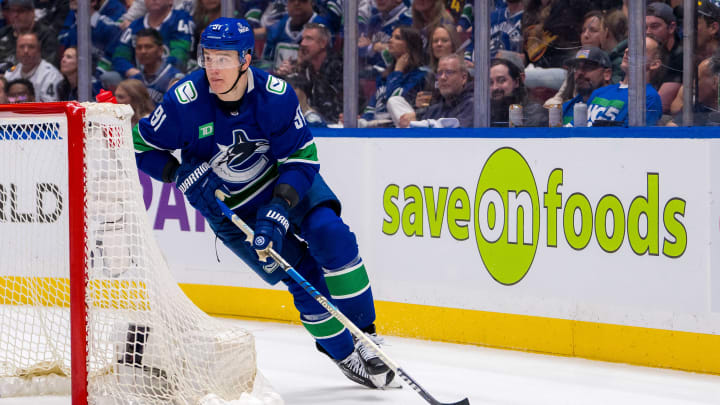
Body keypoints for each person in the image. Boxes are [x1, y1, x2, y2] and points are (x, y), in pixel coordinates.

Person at [133, 17, 398, 390]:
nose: (213, 68)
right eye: (208, 57)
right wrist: (176, 173)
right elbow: (141, 147)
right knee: (302, 278)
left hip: (286, 185)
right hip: (231, 211)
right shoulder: (184, 102)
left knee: (330, 235)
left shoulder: (275, 95)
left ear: (245, 59)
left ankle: (367, 337)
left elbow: (301, 160)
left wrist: (280, 205)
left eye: (223, 59)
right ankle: (340, 352)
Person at [584, 34, 664, 126]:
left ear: (654, 64)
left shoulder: (649, 97)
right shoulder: (599, 92)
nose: (627, 50)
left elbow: (633, 137)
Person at [279, 22, 343, 124]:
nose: (302, 43)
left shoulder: (338, 68)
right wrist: (283, 76)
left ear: (323, 43)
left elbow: (328, 109)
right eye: (303, 39)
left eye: (308, 39)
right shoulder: (304, 66)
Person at [361, 26, 427, 123]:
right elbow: (372, 106)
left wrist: (398, 71)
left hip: (399, 129)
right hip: (376, 128)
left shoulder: (421, 76)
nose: (390, 41)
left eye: (397, 38)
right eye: (391, 37)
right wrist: (362, 120)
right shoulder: (385, 75)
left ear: (410, 45)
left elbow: (391, 99)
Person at [112, 0, 194, 78]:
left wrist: (158, 74)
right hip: (138, 78)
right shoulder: (135, 26)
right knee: (110, 77)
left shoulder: (180, 20)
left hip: (171, 77)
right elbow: (119, 56)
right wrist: (132, 72)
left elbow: (180, 55)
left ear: (170, 1)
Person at [396, 54, 474, 128]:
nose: (443, 77)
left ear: (463, 78)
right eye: (439, 73)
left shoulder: (473, 104)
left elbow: (456, 137)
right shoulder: (439, 106)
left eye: (449, 72)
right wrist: (415, 116)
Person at [261, 0, 330, 71]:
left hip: (312, 79)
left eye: (302, 0)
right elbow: (266, 62)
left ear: (311, 2)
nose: (296, 3)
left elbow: (327, 61)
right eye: (292, 0)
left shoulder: (324, 27)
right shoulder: (277, 28)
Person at [560, 46, 612, 125]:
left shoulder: (615, 104)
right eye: (576, 67)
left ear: (607, 74)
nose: (580, 72)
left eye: (588, 67)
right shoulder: (567, 107)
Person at [3, 32, 63, 102]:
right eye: (21, 47)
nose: (26, 51)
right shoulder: (10, 72)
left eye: (31, 47)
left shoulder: (51, 75)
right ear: (16, 51)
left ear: (39, 50)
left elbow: (51, 107)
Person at [646, 1, 682, 113]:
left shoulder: (680, 57)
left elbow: (659, 105)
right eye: (644, 27)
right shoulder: (646, 52)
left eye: (654, 26)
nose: (648, 32)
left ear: (671, 27)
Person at [489, 57, 548, 127]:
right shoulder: (483, 111)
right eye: (490, 82)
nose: (495, 87)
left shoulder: (534, 114)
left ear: (516, 82)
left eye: (501, 80)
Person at [0, 0, 60, 67]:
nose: (15, 15)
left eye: (20, 11)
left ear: (32, 13)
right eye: (12, 11)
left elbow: (48, 67)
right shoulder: (3, 33)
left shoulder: (46, 36)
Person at [131, 28, 183, 103]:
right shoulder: (135, 79)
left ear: (160, 50)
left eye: (148, 47)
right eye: (139, 47)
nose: (143, 51)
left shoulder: (175, 78)